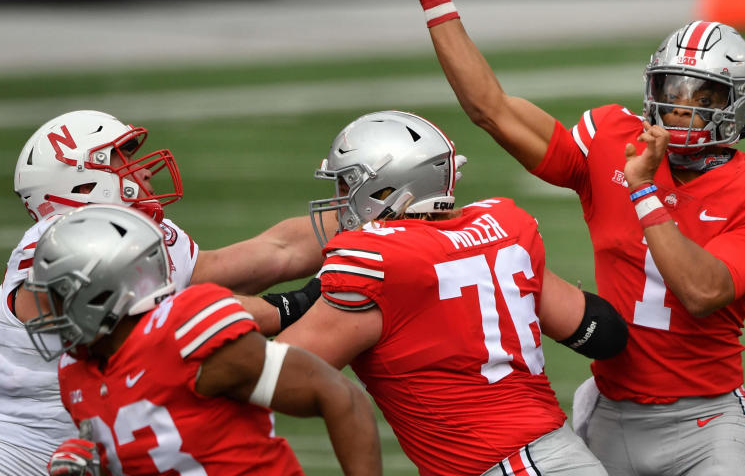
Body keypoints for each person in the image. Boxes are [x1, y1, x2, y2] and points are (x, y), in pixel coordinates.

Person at [391, 0, 745, 476]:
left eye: (701, 97)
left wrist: (643, 190)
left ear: (735, 107)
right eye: (670, 88)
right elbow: (492, 110)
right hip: (610, 414)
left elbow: (704, 291)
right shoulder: (610, 137)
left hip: (705, 427)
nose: (678, 108)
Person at [278, 110, 628, 476]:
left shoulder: (379, 262)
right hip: (549, 456)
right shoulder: (500, 228)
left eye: (349, 185)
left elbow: (273, 372)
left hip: (514, 467)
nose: (341, 199)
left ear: (387, 189)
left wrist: (251, 312)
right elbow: (604, 334)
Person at [3, 110, 332, 474]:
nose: (141, 170)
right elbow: (171, 320)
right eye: (122, 158)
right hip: (23, 453)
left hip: (102, 445)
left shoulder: (126, 231)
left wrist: (373, 212)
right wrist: (295, 304)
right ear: (83, 185)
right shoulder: (58, 245)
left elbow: (275, 253)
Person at [23, 203, 381, 476]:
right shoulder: (75, 372)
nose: (42, 308)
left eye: (56, 293)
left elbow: (341, 397)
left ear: (102, 292)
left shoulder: (184, 332)